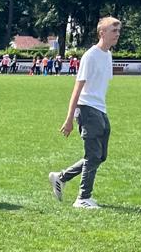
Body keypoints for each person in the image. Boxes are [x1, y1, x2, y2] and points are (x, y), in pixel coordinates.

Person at [49, 16, 120, 210]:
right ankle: (83, 198)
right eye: (113, 31)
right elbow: (77, 88)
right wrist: (70, 118)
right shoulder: (91, 56)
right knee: (92, 155)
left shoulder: (108, 55)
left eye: (118, 31)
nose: (117, 34)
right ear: (102, 33)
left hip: (100, 109)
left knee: (100, 156)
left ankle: (61, 177)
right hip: (87, 109)